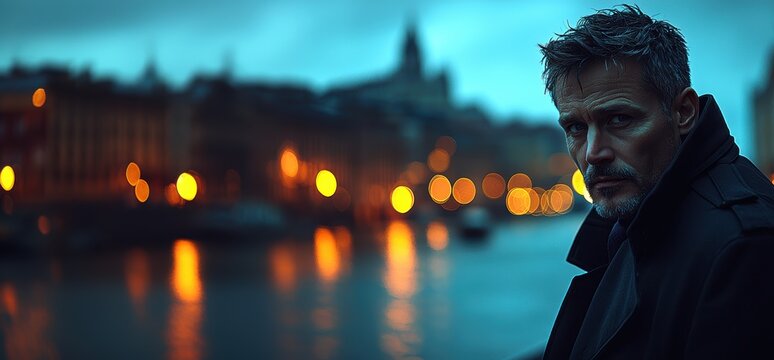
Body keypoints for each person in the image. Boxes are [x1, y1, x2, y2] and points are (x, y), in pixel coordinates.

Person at [538, 5, 774, 359]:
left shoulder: (744, 246)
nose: (592, 153)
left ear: (683, 113)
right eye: (575, 128)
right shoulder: (635, 221)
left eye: (618, 119)